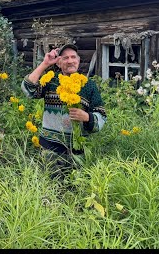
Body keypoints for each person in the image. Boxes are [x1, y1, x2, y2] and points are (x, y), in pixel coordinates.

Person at [21, 43, 107, 177]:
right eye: (65, 58)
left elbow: (101, 115)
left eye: (73, 57)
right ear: (59, 63)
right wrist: (44, 64)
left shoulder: (88, 85)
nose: (70, 61)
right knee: (50, 190)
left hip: (78, 153)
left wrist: (87, 117)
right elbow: (28, 89)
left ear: (78, 61)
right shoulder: (51, 81)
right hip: (50, 150)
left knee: (75, 191)